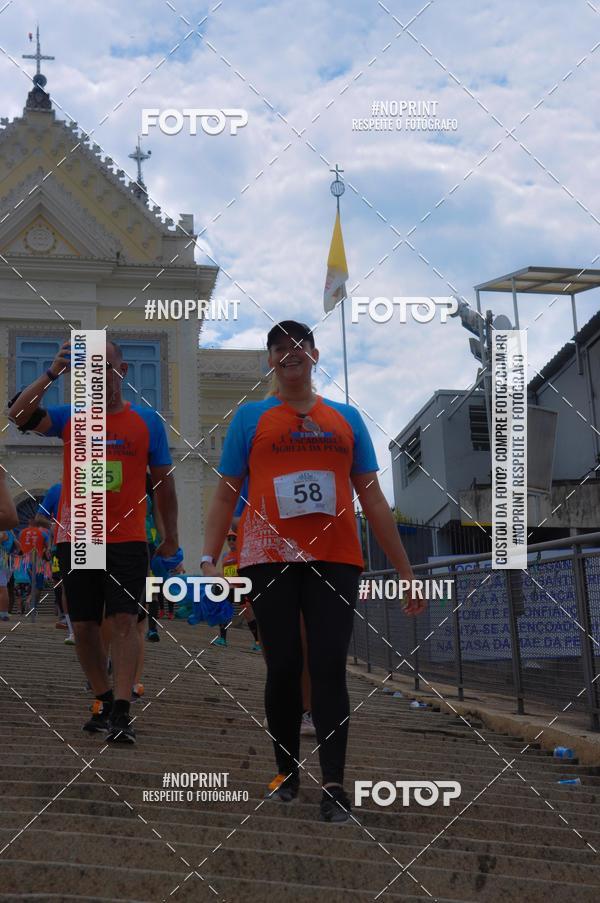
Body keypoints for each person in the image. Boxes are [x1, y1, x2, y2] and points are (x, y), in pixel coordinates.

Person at [201, 320, 424, 823]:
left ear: (315, 354)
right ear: (270, 361)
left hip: (336, 559)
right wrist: (208, 558)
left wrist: (405, 570)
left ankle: (334, 784)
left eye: (298, 346)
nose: (289, 354)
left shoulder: (346, 419)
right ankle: (285, 771)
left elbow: (372, 496)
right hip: (268, 558)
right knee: (282, 667)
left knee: (327, 667)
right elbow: (224, 493)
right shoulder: (250, 418)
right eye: (279, 348)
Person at [8, 338, 179, 744]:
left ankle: (121, 710)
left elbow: (165, 485)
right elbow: (17, 413)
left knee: (123, 620)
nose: (101, 375)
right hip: (79, 535)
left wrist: (171, 535)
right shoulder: (73, 417)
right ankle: (102, 697)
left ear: (122, 371)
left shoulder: (147, 422)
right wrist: (52, 373)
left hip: (127, 538)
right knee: (83, 626)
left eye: (109, 366)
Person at [37, 482, 74, 640]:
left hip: (91, 541)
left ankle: (76, 624)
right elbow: (40, 517)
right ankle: (71, 625)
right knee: (67, 583)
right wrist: (54, 526)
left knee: (88, 583)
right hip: (64, 543)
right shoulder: (58, 489)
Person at [17, 517, 49, 620]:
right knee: (38, 587)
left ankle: (31, 604)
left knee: (30, 584)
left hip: (25, 561)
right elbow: (48, 548)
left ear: (28, 523)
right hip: (38, 562)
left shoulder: (22, 532)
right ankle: (32, 604)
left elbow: (19, 547)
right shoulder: (43, 533)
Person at [0, 527, 17, 622]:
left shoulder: (3, 532)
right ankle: (3, 612)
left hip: (1, 560)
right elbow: (18, 546)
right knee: (3, 587)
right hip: (6, 560)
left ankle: (3, 613)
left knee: (2, 588)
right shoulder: (11, 532)